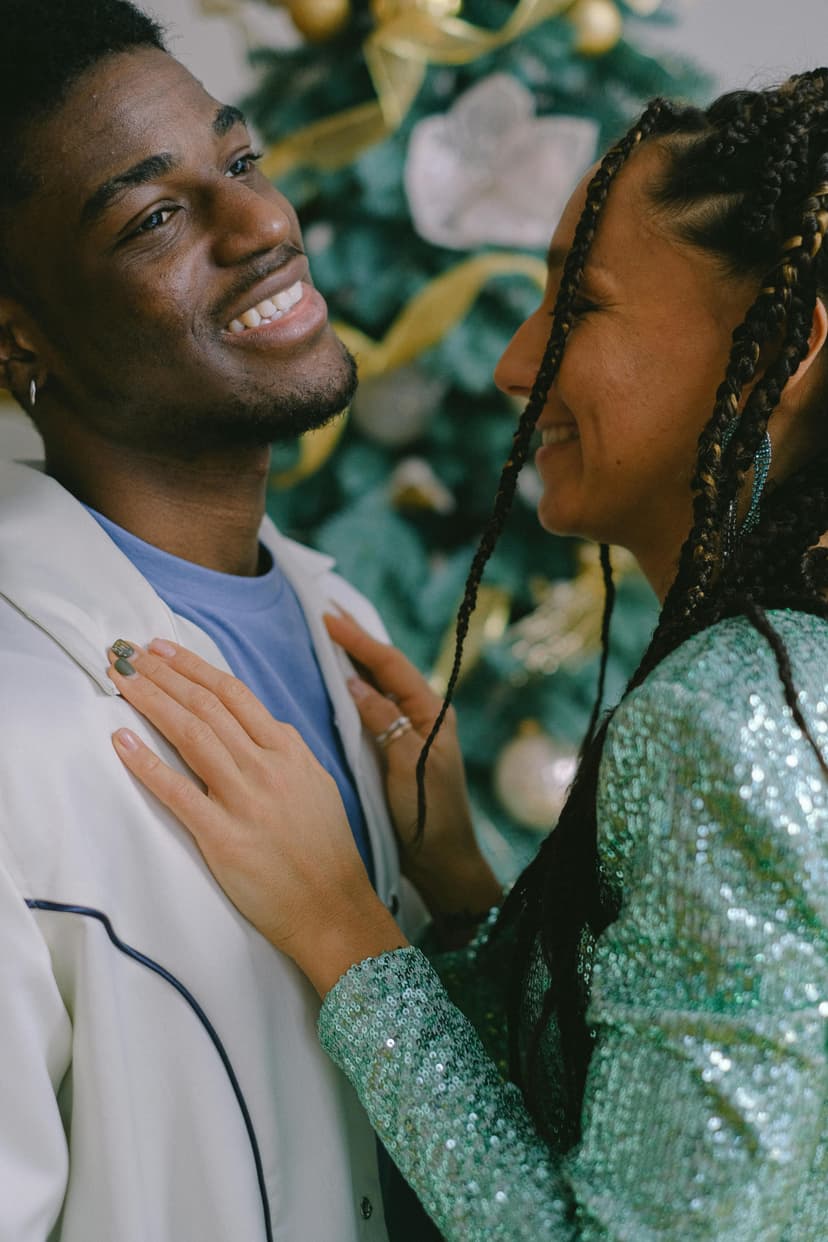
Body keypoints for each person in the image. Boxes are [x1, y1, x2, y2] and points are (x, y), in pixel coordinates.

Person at [108, 69, 828, 1239]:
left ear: (778, 350)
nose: (513, 363)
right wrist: (463, 894)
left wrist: (343, 925)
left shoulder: (738, 717)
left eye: (578, 304)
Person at [0, 2, 438, 1238]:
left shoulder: (340, 621)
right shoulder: (13, 732)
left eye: (238, 163)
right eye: (155, 217)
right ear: (13, 329)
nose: (260, 225)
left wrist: (462, 892)